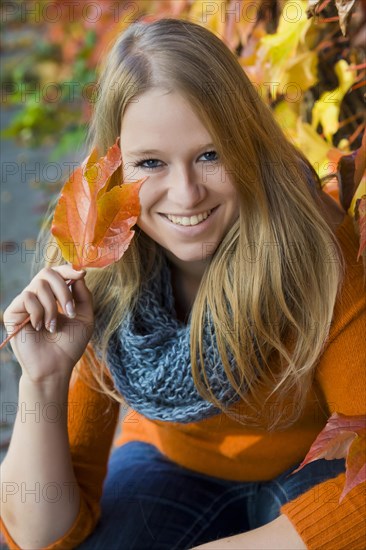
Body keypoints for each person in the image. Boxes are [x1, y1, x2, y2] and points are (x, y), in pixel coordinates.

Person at [0, 18, 365, 550]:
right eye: (151, 163)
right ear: (116, 172)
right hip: (173, 467)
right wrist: (44, 380)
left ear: (249, 146)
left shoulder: (314, 246)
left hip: (314, 468)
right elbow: (42, 535)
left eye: (211, 154)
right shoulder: (101, 274)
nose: (187, 193)